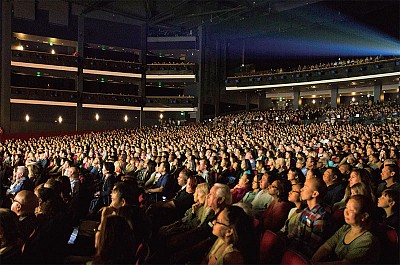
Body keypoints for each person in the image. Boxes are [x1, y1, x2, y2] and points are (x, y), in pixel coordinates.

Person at [311, 195, 380, 264]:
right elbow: (327, 246)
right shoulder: (345, 228)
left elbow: (345, 263)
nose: (346, 212)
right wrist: (312, 261)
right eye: (346, 208)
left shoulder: (367, 240)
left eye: (351, 210)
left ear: (364, 216)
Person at [290, 177, 333, 258]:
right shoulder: (306, 210)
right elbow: (296, 234)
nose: (301, 190)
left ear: (315, 194)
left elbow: (313, 246)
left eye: (305, 187)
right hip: (296, 251)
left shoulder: (321, 216)